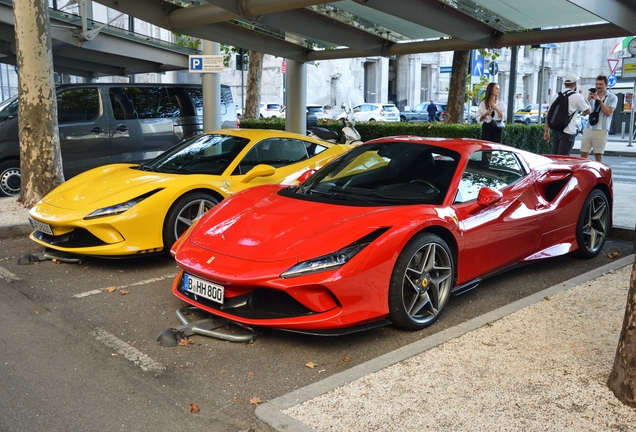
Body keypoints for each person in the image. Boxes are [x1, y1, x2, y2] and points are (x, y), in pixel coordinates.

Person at [543, 73, 590, 155]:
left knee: (556, 158)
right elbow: (588, 111)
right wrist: (587, 102)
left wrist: (546, 132)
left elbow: (549, 115)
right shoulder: (578, 96)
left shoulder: (556, 95)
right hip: (568, 132)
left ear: (565, 84)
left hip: (556, 130)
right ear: (575, 84)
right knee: (563, 159)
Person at [580, 74, 617, 163]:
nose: (598, 86)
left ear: (606, 85)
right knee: (583, 155)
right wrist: (588, 100)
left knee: (598, 156)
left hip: (601, 130)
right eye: (597, 84)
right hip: (589, 128)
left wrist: (598, 101)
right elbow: (584, 113)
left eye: (601, 84)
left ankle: (599, 175)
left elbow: (608, 113)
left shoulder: (612, 97)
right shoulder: (592, 96)